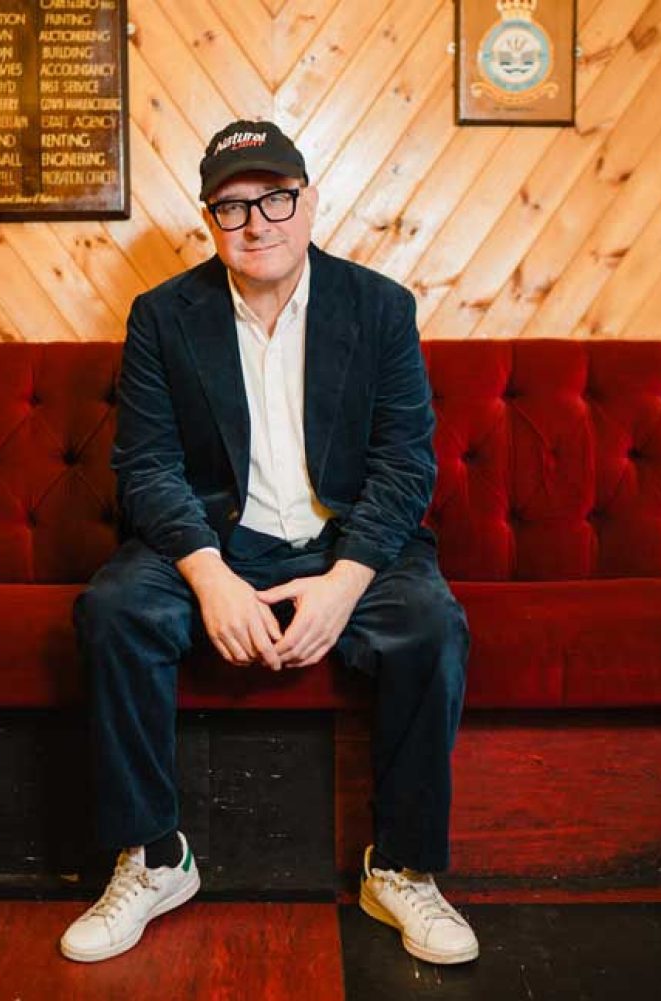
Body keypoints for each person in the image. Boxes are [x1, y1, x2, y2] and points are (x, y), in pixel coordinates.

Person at [59, 120, 476, 966]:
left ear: (311, 199)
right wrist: (208, 575)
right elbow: (145, 465)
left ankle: (399, 868)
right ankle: (153, 858)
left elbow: (405, 464)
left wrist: (347, 579)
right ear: (210, 220)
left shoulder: (381, 308)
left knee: (432, 625)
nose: (259, 222)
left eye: (276, 197)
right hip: (217, 542)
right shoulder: (163, 318)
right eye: (232, 206)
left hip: (348, 540)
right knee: (115, 609)